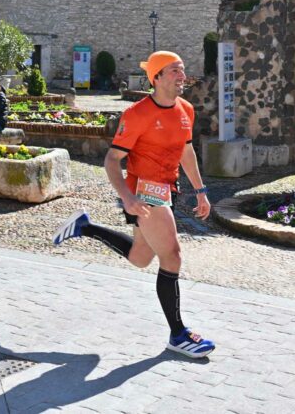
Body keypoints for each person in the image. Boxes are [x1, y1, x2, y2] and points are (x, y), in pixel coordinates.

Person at [52, 51, 215, 359]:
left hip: (168, 188)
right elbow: (112, 160)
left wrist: (201, 190)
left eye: (183, 71)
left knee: (140, 258)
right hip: (144, 191)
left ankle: (85, 226)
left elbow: (186, 151)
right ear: (157, 78)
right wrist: (127, 197)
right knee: (173, 256)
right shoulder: (138, 114)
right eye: (175, 71)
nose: (183, 76)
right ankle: (178, 334)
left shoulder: (186, 110)